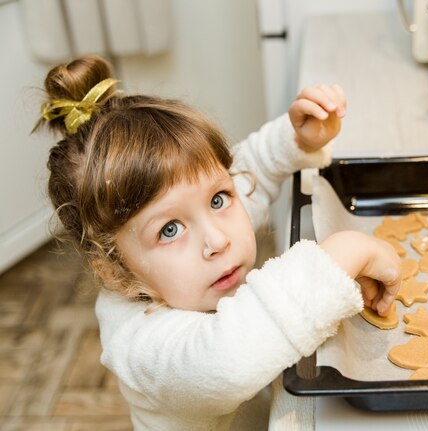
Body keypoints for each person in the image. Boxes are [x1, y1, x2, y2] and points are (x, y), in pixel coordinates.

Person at [35, 55, 401, 430]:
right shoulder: (139, 344)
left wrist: (296, 138)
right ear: (115, 270)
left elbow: (250, 167)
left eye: (217, 200)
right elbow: (227, 362)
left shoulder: (204, 241)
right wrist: (345, 253)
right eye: (170, 230)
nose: (217, 240)